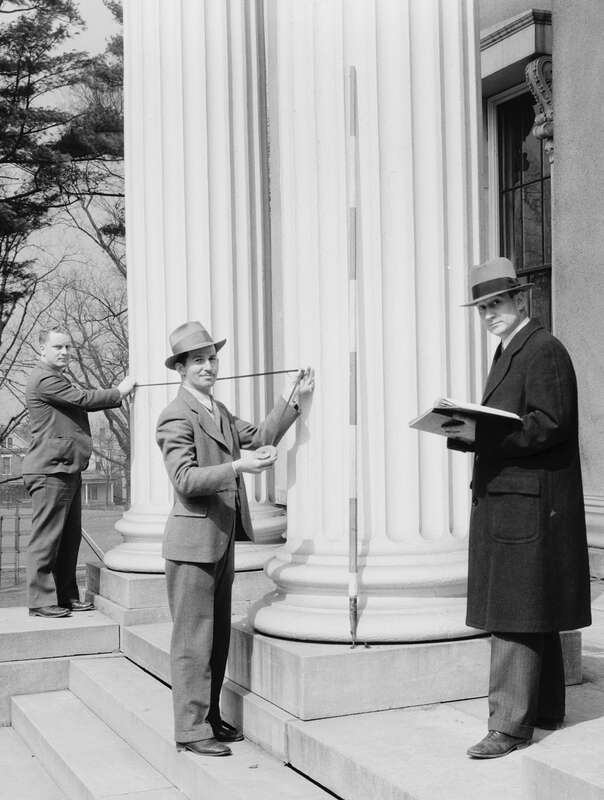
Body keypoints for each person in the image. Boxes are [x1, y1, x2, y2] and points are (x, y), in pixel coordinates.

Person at [445, 257, 591, 760]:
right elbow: (519, 425)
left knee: (515, 610)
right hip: (516, 501)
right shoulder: (513, 350)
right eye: (482, 307)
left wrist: (480, 433)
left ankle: (508, 725)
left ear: (520, 300)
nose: (489, 314)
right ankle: (545, 708)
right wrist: (469, 435)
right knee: (533, 606)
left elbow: (550, 423)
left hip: (528, 505)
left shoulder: (542, 348)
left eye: (497, 304)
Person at [156, 320, 314, 757]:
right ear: (181, 369)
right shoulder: (175, 415)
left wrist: (291, 399)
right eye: (197, 360)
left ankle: (208, 716)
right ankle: (190, 731)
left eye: (211, 358)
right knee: (192, 639)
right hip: (191, 546)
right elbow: (185, 479)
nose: (207, 366)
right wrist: (239, 468)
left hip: (219, 540)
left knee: (217, 635)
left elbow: (261, 437)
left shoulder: (218, 411)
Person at [22, 327, 136, 618]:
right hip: (50, 470)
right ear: (41, 350)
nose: (64, 352)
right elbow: (83, 399)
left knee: (69, 539)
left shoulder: (56, 378)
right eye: (58, 347)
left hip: (65, 468)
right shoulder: (45, 378)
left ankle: (65, 596)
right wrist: (119, 392)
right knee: (47, 538)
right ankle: (41, 600)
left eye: (68, 347)